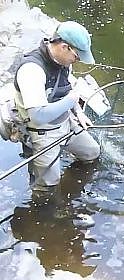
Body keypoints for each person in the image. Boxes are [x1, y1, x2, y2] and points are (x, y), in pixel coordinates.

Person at [14, 21, 100, 191]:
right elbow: (38, 116)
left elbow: (66, 88)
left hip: (65, 122)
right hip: (41, 130)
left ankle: (70, 190)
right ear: (64, 47)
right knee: (48, 186)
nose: (77, 61)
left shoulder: (64, 63)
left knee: (91, 152)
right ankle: (43, 211)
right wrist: (72, 100)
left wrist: (78, 113)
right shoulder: (32, 70)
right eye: (76, 56)